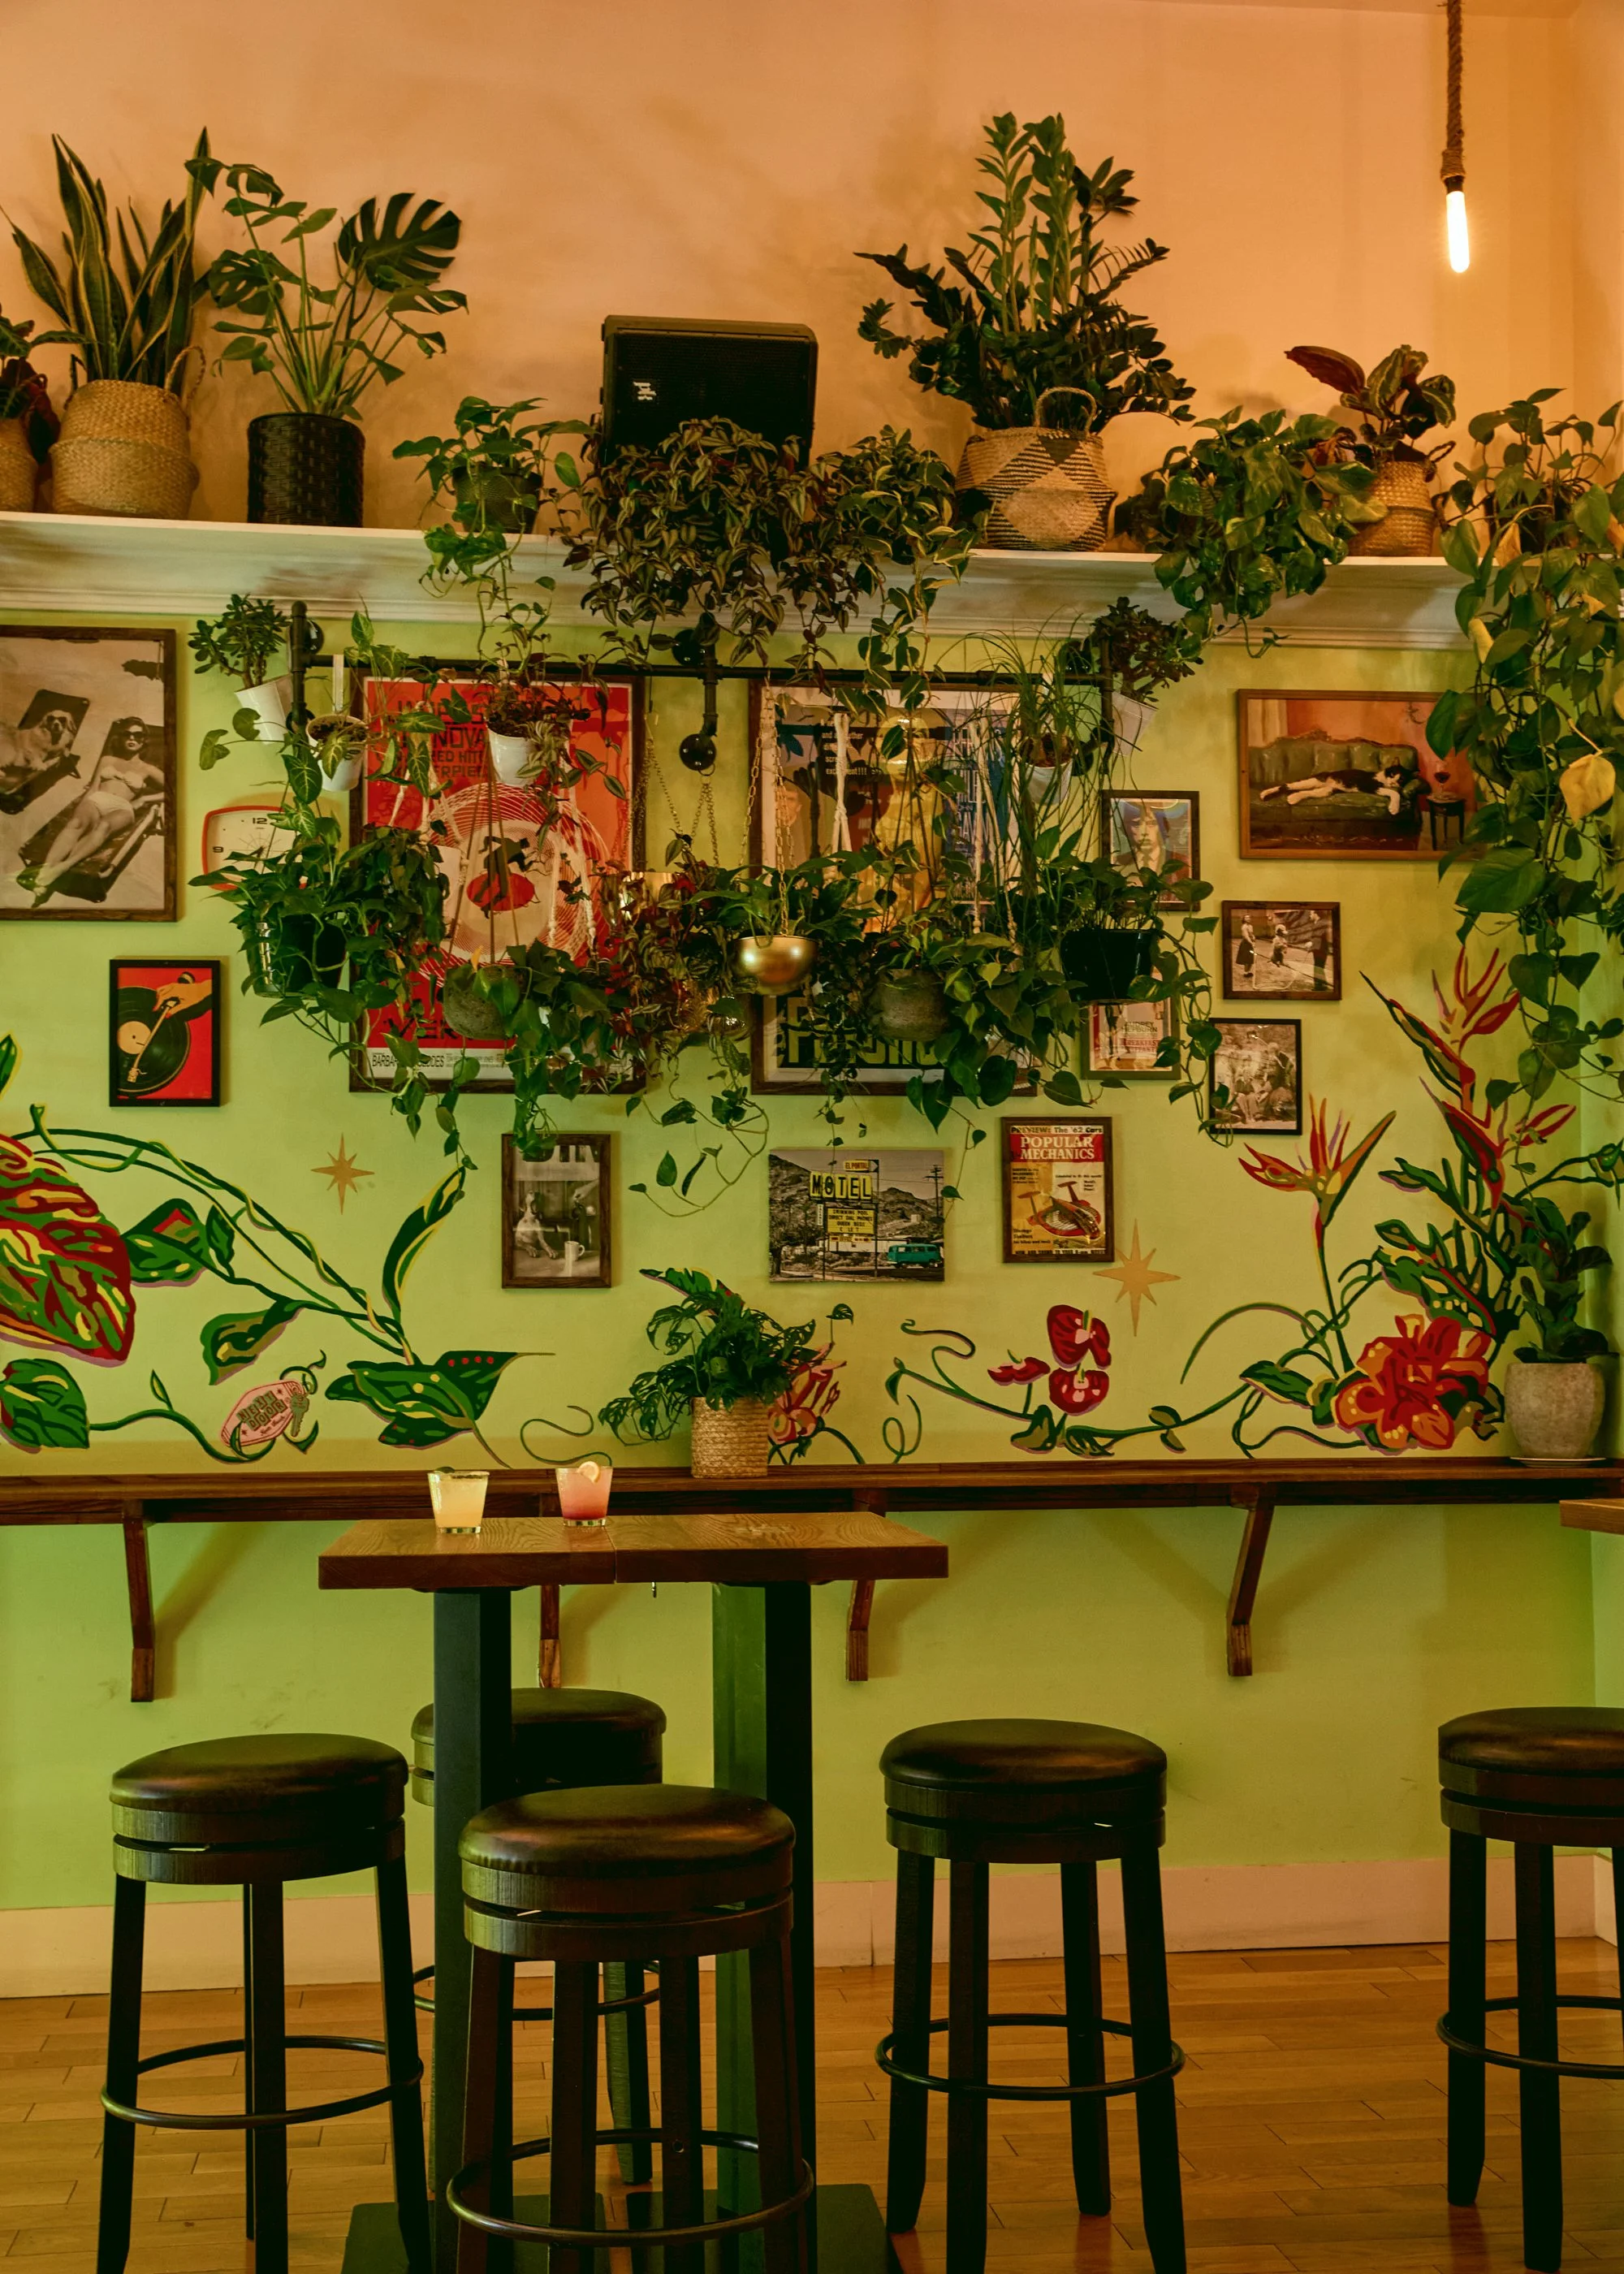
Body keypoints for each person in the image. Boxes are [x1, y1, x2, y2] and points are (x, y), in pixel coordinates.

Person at [18, 718, 162, 904]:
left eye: (138, 735)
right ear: (121, 738)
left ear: (144, 741)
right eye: (127, 734)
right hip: (97, 799)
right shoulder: (107, 760)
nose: (132, 738)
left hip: (122, 807)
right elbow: (94, 787)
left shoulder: (148, 769)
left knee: (103, 826)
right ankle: (47, 871)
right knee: (75, 824)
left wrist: (143, 799)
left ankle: (60, 869)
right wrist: (81, 808)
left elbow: (175, 789)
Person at [0, 688, 89, 814]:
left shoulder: (64, 740)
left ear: (68, 724)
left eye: (62, 720)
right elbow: (27, 750)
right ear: (45, 722)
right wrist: (36, 760)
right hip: (13, 744)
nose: (56, 723)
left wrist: (62, 751)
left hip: (20, 755)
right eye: (51, 719)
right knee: (8, 752)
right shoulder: (35, 734)